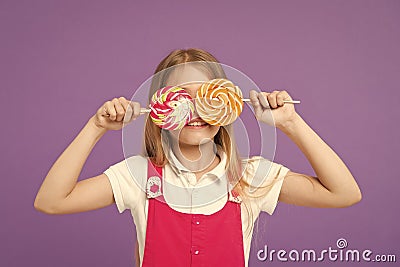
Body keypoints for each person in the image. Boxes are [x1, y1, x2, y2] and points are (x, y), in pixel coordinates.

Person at [34, 48, 362, 267]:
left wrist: (291, 123)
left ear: (225, 102)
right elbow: (51, 201)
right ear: (160, 109)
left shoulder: (250, 176)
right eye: (181, 98)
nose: (195, 111)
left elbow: (344, 193)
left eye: (206, 96)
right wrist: (95, 127)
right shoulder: (137, 175)